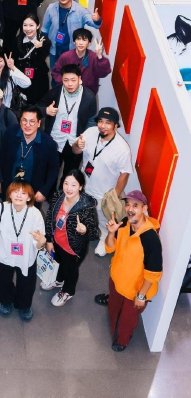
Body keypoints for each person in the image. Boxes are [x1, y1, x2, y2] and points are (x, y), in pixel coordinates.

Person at [97, 190, 162, 352]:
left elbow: (153, 273)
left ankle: (123, 341)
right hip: (117, 279)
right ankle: (111, 301)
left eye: (135, 205)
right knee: (113, 306)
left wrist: (141, 296)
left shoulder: (150, 238)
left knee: (127, 320)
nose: (130, 209)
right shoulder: (126, 222)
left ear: (144, 208)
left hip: (135, 290)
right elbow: (110, 248)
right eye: (127, 205)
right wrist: (111, 233)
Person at [72, 107, 132, 256]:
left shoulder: (122, 149)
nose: (103, 126)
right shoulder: (90, 132)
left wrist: (114, 196)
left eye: (108, 123)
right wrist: (77, 145)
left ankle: (104, 238)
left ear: (115, 126)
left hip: (104, 193)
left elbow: (124, 174)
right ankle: (81, 230)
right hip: (84, 186)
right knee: (81, 211)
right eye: (100, 121)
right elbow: (75, 150)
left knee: (103, 219)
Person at [0, 181, 47, 320]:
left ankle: (24, 304)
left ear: (29, 197)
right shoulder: (0, 208)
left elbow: (38, 245)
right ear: (9, 194)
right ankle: (5, 300)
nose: (19, 195)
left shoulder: (35, 214)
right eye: (15, 192)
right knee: (3, 279)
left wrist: (42, 241)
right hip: (4, 252)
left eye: (23, 193)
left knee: (27, 283)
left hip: (27, 255)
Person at [43, 169, 99, 307]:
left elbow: (94, 234)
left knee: (70, 270)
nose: (68, 188)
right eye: (66, 183)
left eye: (74, 185)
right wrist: (49, 240)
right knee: (58, 263)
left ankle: (68, 291)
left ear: (80, 187)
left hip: (73, 248)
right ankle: (58, 280)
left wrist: (84, 230)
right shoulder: (58, 196)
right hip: (57, 242)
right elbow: (50, 218)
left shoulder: (86, 207)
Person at [39, 64, 98, 179]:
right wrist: (46, 110)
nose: (69, 84)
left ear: (79, 79)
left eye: (73, 80)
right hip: (55, 139)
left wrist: (84, 137)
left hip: (74, 141)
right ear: (61, 79)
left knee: (70, 175)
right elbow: (38, 107)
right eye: (66, 80)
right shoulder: (55, 92)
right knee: (49, 173)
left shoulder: (89, 97)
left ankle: (63, 190)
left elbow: (92, 119)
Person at [0, 106, 59, 204]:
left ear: (39, 123)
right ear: (20, 121)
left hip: (33, 192)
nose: (27, 125)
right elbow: (1, 158)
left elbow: (54, 169)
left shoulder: (48, 143)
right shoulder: (10, 133)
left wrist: (44, 190)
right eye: (24, 120)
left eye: (32, 121)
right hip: (9, 187)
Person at [42, 0, 102, 71]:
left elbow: (95, 24)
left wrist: (97, 19)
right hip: (55, 50)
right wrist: (44, 47)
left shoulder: (80, 10)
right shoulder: (51, 8)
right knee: (55, 73)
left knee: (71, 74)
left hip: (72, 51)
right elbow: (45, 29)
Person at [52, 28, 111, 93]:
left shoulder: (93, 57)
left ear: (89, 43)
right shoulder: (65, 56)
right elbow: (56, 72)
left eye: (84, 40)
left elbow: (103, 73)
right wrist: (66, 83)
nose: (81, 43)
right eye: (78, 39)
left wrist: (99, 56)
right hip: (68, 92)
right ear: (74, 42)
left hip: (88, 92)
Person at [14, 14, 51, 104]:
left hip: (39, 77)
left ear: (37, 26)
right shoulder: (17, 40)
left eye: (31, 25)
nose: (28, 29)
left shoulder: (44, 41)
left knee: (39, 102)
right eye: (25, 25)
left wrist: (39, 48)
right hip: (23, 76)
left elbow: (40, 61)